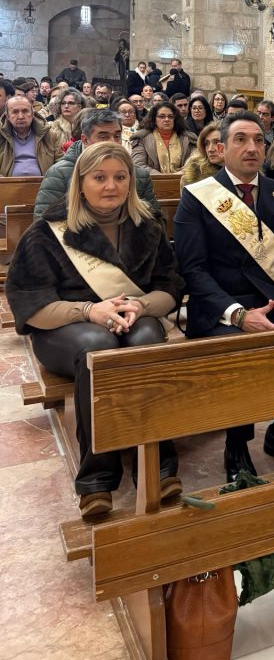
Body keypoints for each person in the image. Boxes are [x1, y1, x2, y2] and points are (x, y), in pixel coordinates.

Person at [7, 143, 184, 517]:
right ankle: (96, 478)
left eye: (120, 177)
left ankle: (157, 463)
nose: (111, 186)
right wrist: (88, 310)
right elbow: (31, 302)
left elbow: (169, 287)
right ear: (81, 183)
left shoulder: (147, 227)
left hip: (134, 319)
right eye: (99, 178)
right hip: (64, 328)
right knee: (98, 345)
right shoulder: (47, 232)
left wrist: (141, 305)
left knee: (148, 338)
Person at [174, 111, 274, 476]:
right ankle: (236, 443)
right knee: (239, 356)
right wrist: (237, 313)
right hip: (224, 308)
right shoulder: (198, 196)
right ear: (221, 147)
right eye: (240, 139)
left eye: (258, 141)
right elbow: (193, 269)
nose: (251, 147)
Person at [35, 108, 161, 218]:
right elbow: (45, 224)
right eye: (103, 136)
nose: (112, 142)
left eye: (117, 136)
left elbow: (154, 218)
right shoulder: (60, 173)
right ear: (85, 139)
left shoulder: (139, 174)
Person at [130, 102, 196, 175]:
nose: (167, 119)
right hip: (153, 183)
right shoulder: (142, 138)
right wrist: (161, 177)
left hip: (184, 180)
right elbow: (138, 164)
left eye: (170, 116)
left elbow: (196, 161)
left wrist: (179, 174)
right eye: (162, 116)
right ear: (154, 120)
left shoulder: (188, 138)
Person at [0, 96, 59, 176]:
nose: (20, 116)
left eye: (25, 111)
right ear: (7, 116)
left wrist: (49, 181)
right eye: (15, 112)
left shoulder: (49, 135)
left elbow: (61, 163)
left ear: (32, 114)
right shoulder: (1, 135)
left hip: (44, 185)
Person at [180, 121, 222, 188]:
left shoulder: (241, 172)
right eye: (206, 144)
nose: (210, 149)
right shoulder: (193, 176)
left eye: (217, 142)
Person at [48, 88, 86, 153]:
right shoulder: (51, 127)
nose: (66, 106)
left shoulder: (86, 126)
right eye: (63, 103)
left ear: (80, 107)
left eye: (71, 103)